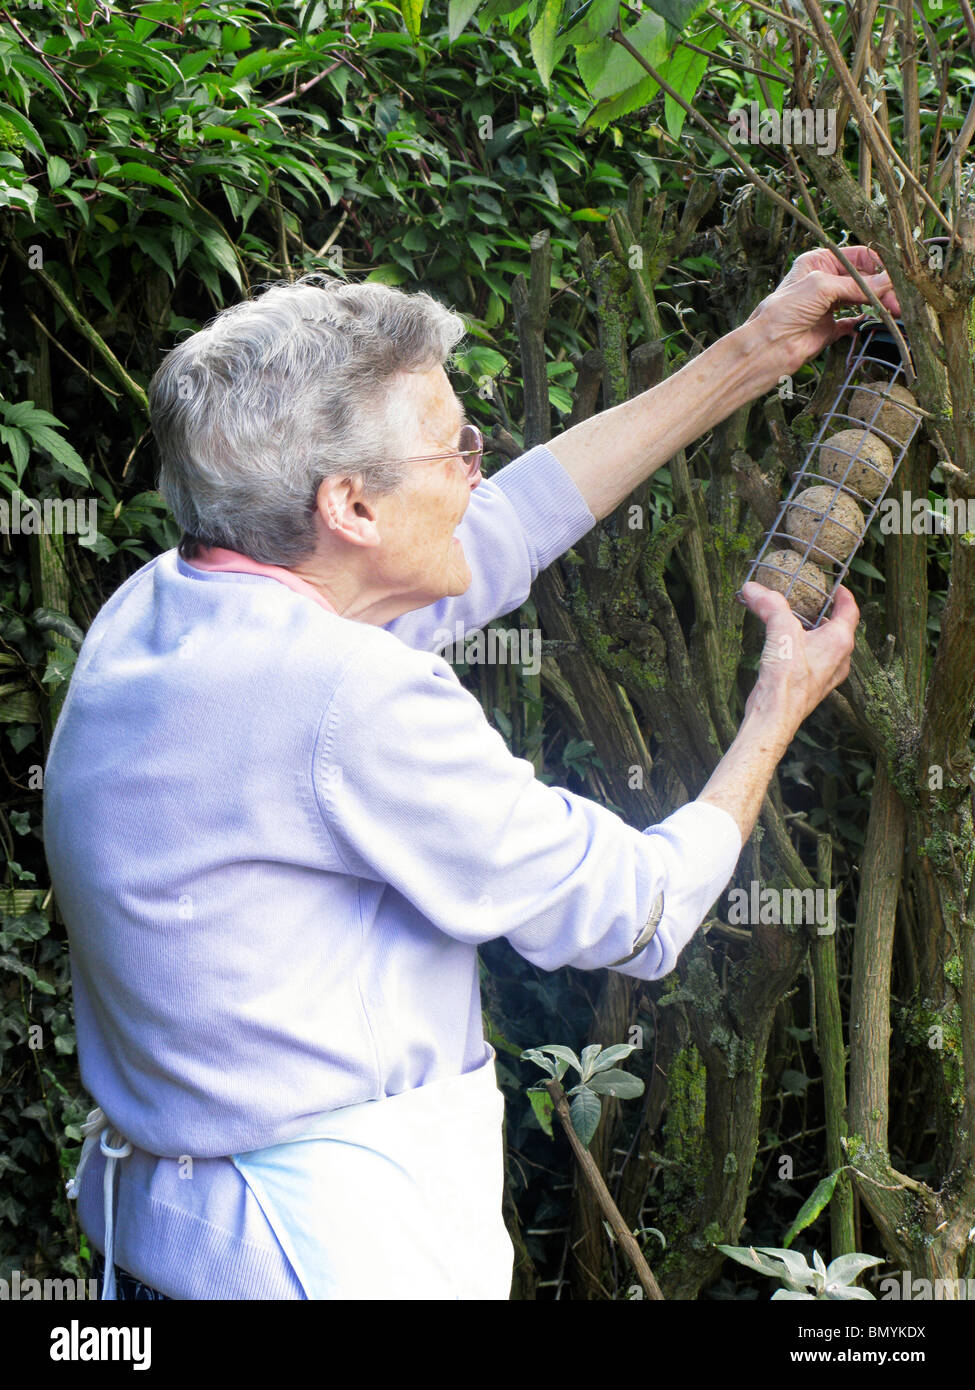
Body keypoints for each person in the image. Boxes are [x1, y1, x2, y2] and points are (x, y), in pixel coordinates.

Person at [44, 247, 899, 1301]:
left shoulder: (168, 602)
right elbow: (635, 912)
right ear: (350, 506)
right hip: (320, 1266)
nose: (476, 473)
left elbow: (505, 528)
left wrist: (759, 349)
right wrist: (777, 709)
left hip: (160, 1249)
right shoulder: (349, 696)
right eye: (457, 451)